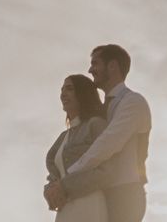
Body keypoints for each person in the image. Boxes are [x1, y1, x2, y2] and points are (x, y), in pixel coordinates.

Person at [46, 44, 152, 222]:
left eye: (95, 64)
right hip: (102, 193)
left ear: (112, 66)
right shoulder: (102, 110)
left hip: (124, 193)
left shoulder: (133, 102)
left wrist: (67, 179)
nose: (90, 69)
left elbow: (106, 145)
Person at [44, 74, 110, 221]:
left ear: (82, 93)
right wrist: (49, 191)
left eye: (69, 89)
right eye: (62, 90)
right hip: (64, 209)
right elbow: (54, 177)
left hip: (89, 205)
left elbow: (107, 170)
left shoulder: (96, 124)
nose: (63, 94)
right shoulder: (62, 137)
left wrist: (65, 186)